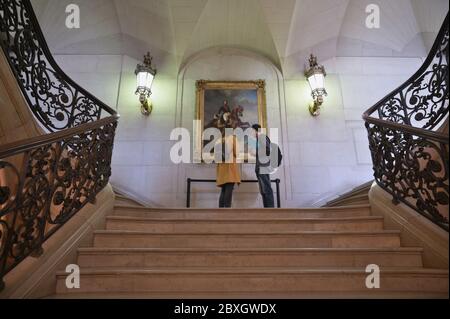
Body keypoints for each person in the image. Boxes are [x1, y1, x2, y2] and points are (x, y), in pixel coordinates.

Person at [216, 124, 241, 208]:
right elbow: (237, 153)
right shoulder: (233, 139)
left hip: (221, 168)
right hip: (230, 167)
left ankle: (221, 210)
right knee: (229, 190)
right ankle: (227, 211)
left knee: (223, 190)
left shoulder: (219, 140)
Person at [252, 124, 275, 208]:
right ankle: (267, 210)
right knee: (263, 190)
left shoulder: (262, 137)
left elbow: (268, 150)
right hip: (260, 166)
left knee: (266, 188)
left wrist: (257, 153)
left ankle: (270, 210)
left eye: (252, 131)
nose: (251, 133)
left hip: (263, 166)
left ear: (255, 130)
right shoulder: (259, 139)